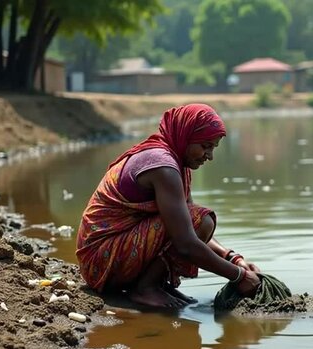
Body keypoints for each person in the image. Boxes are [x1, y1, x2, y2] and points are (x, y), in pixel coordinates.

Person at [76, 104, 261, 308]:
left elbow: (188, 226)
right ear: (185, 135)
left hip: (111, 252)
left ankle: (154, 284)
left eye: (213, 148)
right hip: (99, 261)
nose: (209, 156)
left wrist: (234, 259)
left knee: (198, 219)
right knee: (203, 219)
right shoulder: (163, 167)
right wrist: (239, 276)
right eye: (205, 146)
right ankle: (146, 288)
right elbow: (187, 242)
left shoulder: (178, 164)